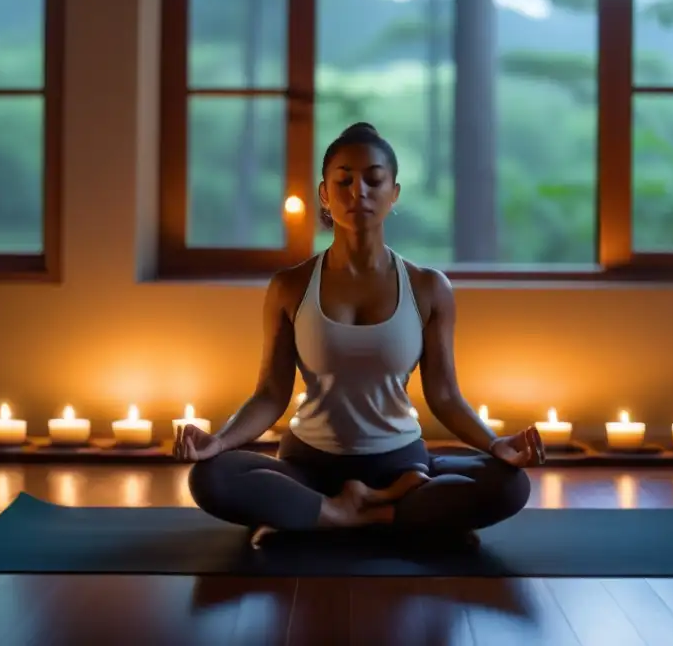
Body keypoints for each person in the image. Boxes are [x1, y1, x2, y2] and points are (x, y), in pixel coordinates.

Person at [175, 122, 545, 545]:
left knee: (510, 485)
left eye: (374, 179)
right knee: (213, 477)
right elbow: (270, 394)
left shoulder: (427, 287)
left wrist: (496, 444)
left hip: (398, 460)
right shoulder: (290, 286)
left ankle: (339, 512)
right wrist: (217, 442)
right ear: (324, 194)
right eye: (344, 180)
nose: (359, 192)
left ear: (395, 194)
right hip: (308, 465)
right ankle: (382, 512)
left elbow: (444, 396)